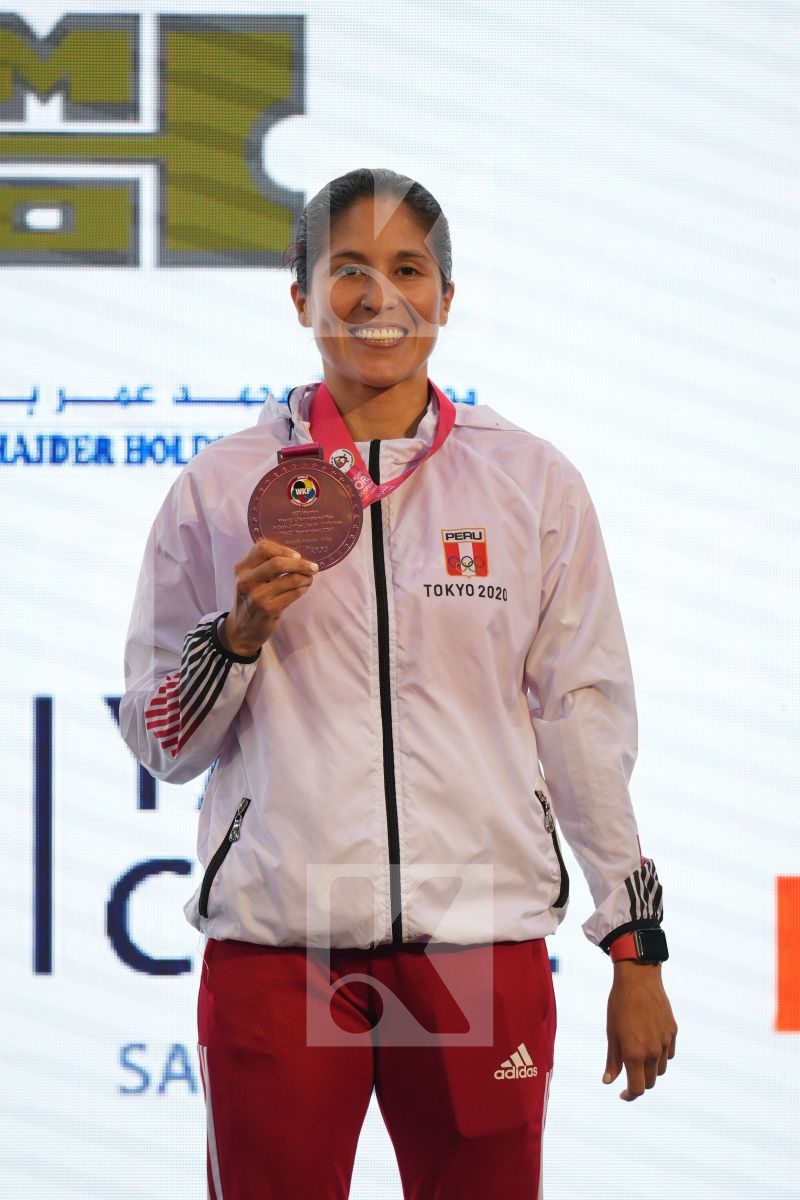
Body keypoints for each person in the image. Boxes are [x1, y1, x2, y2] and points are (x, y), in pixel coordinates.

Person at [120, 167, 677, 1199]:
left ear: (447, 297)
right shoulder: (220, 486)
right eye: (349, 270)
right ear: (301, 297)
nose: (380, 297)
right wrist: (233, 640)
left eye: (409, 269)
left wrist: (631, 942)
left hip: (477, 937)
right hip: (283, 947)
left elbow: (581, 720)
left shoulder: (531, 482)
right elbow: (159, 739)